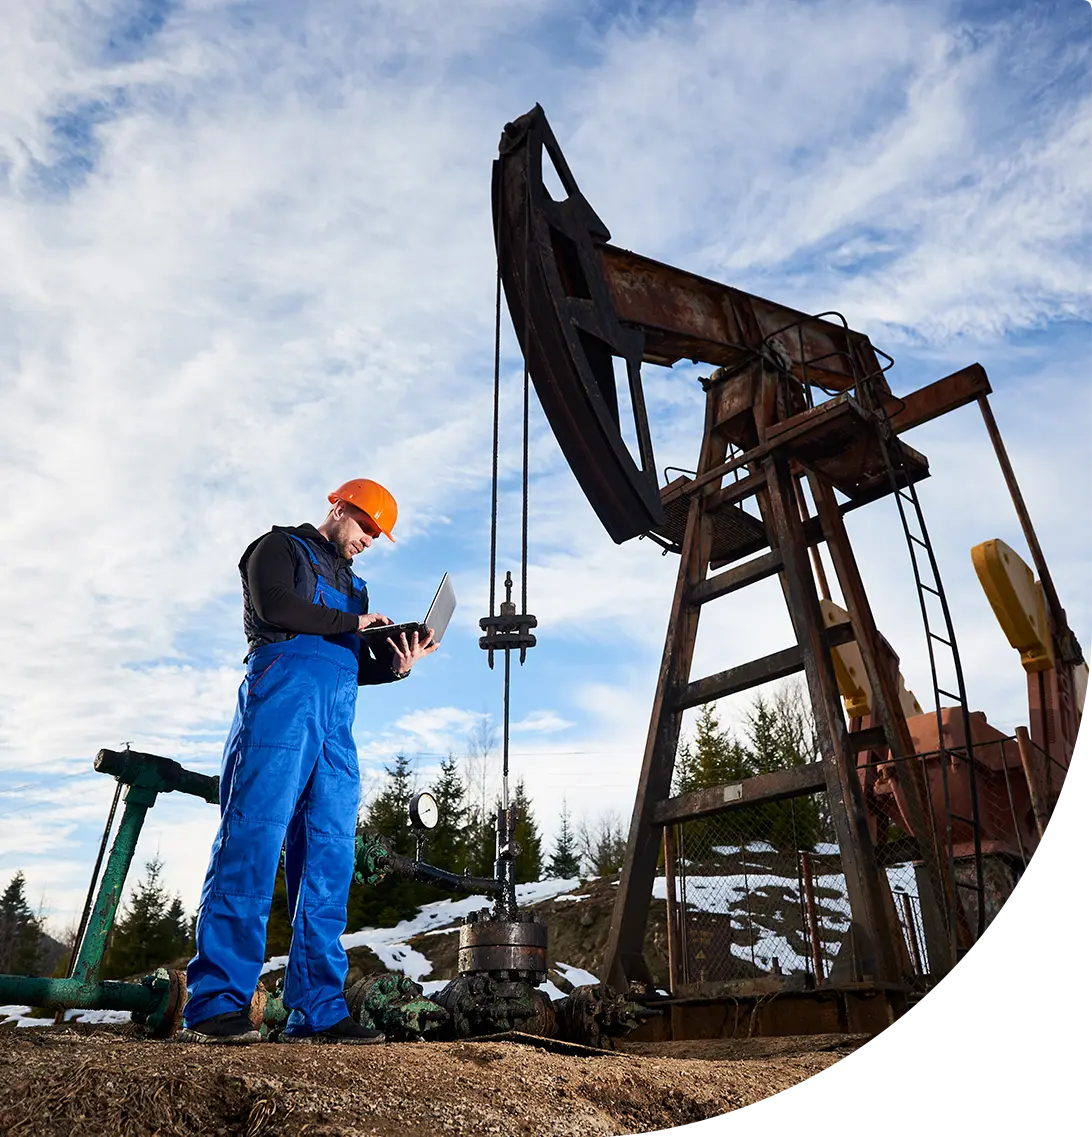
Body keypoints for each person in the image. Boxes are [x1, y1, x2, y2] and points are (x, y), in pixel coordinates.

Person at [179, 479, 438, 1045]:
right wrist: (355, 624)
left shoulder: (354, 587)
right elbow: (276, 606)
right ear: (339, 507)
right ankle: (215, 1003)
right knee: (252, 841)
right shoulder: (278, 548)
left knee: (329, 858)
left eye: (378, 535)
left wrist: (396, 665)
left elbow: (346, 662)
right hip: (280, 706)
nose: (369, 539)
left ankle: (317, 1009)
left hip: (335, 724)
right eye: (366, 526)